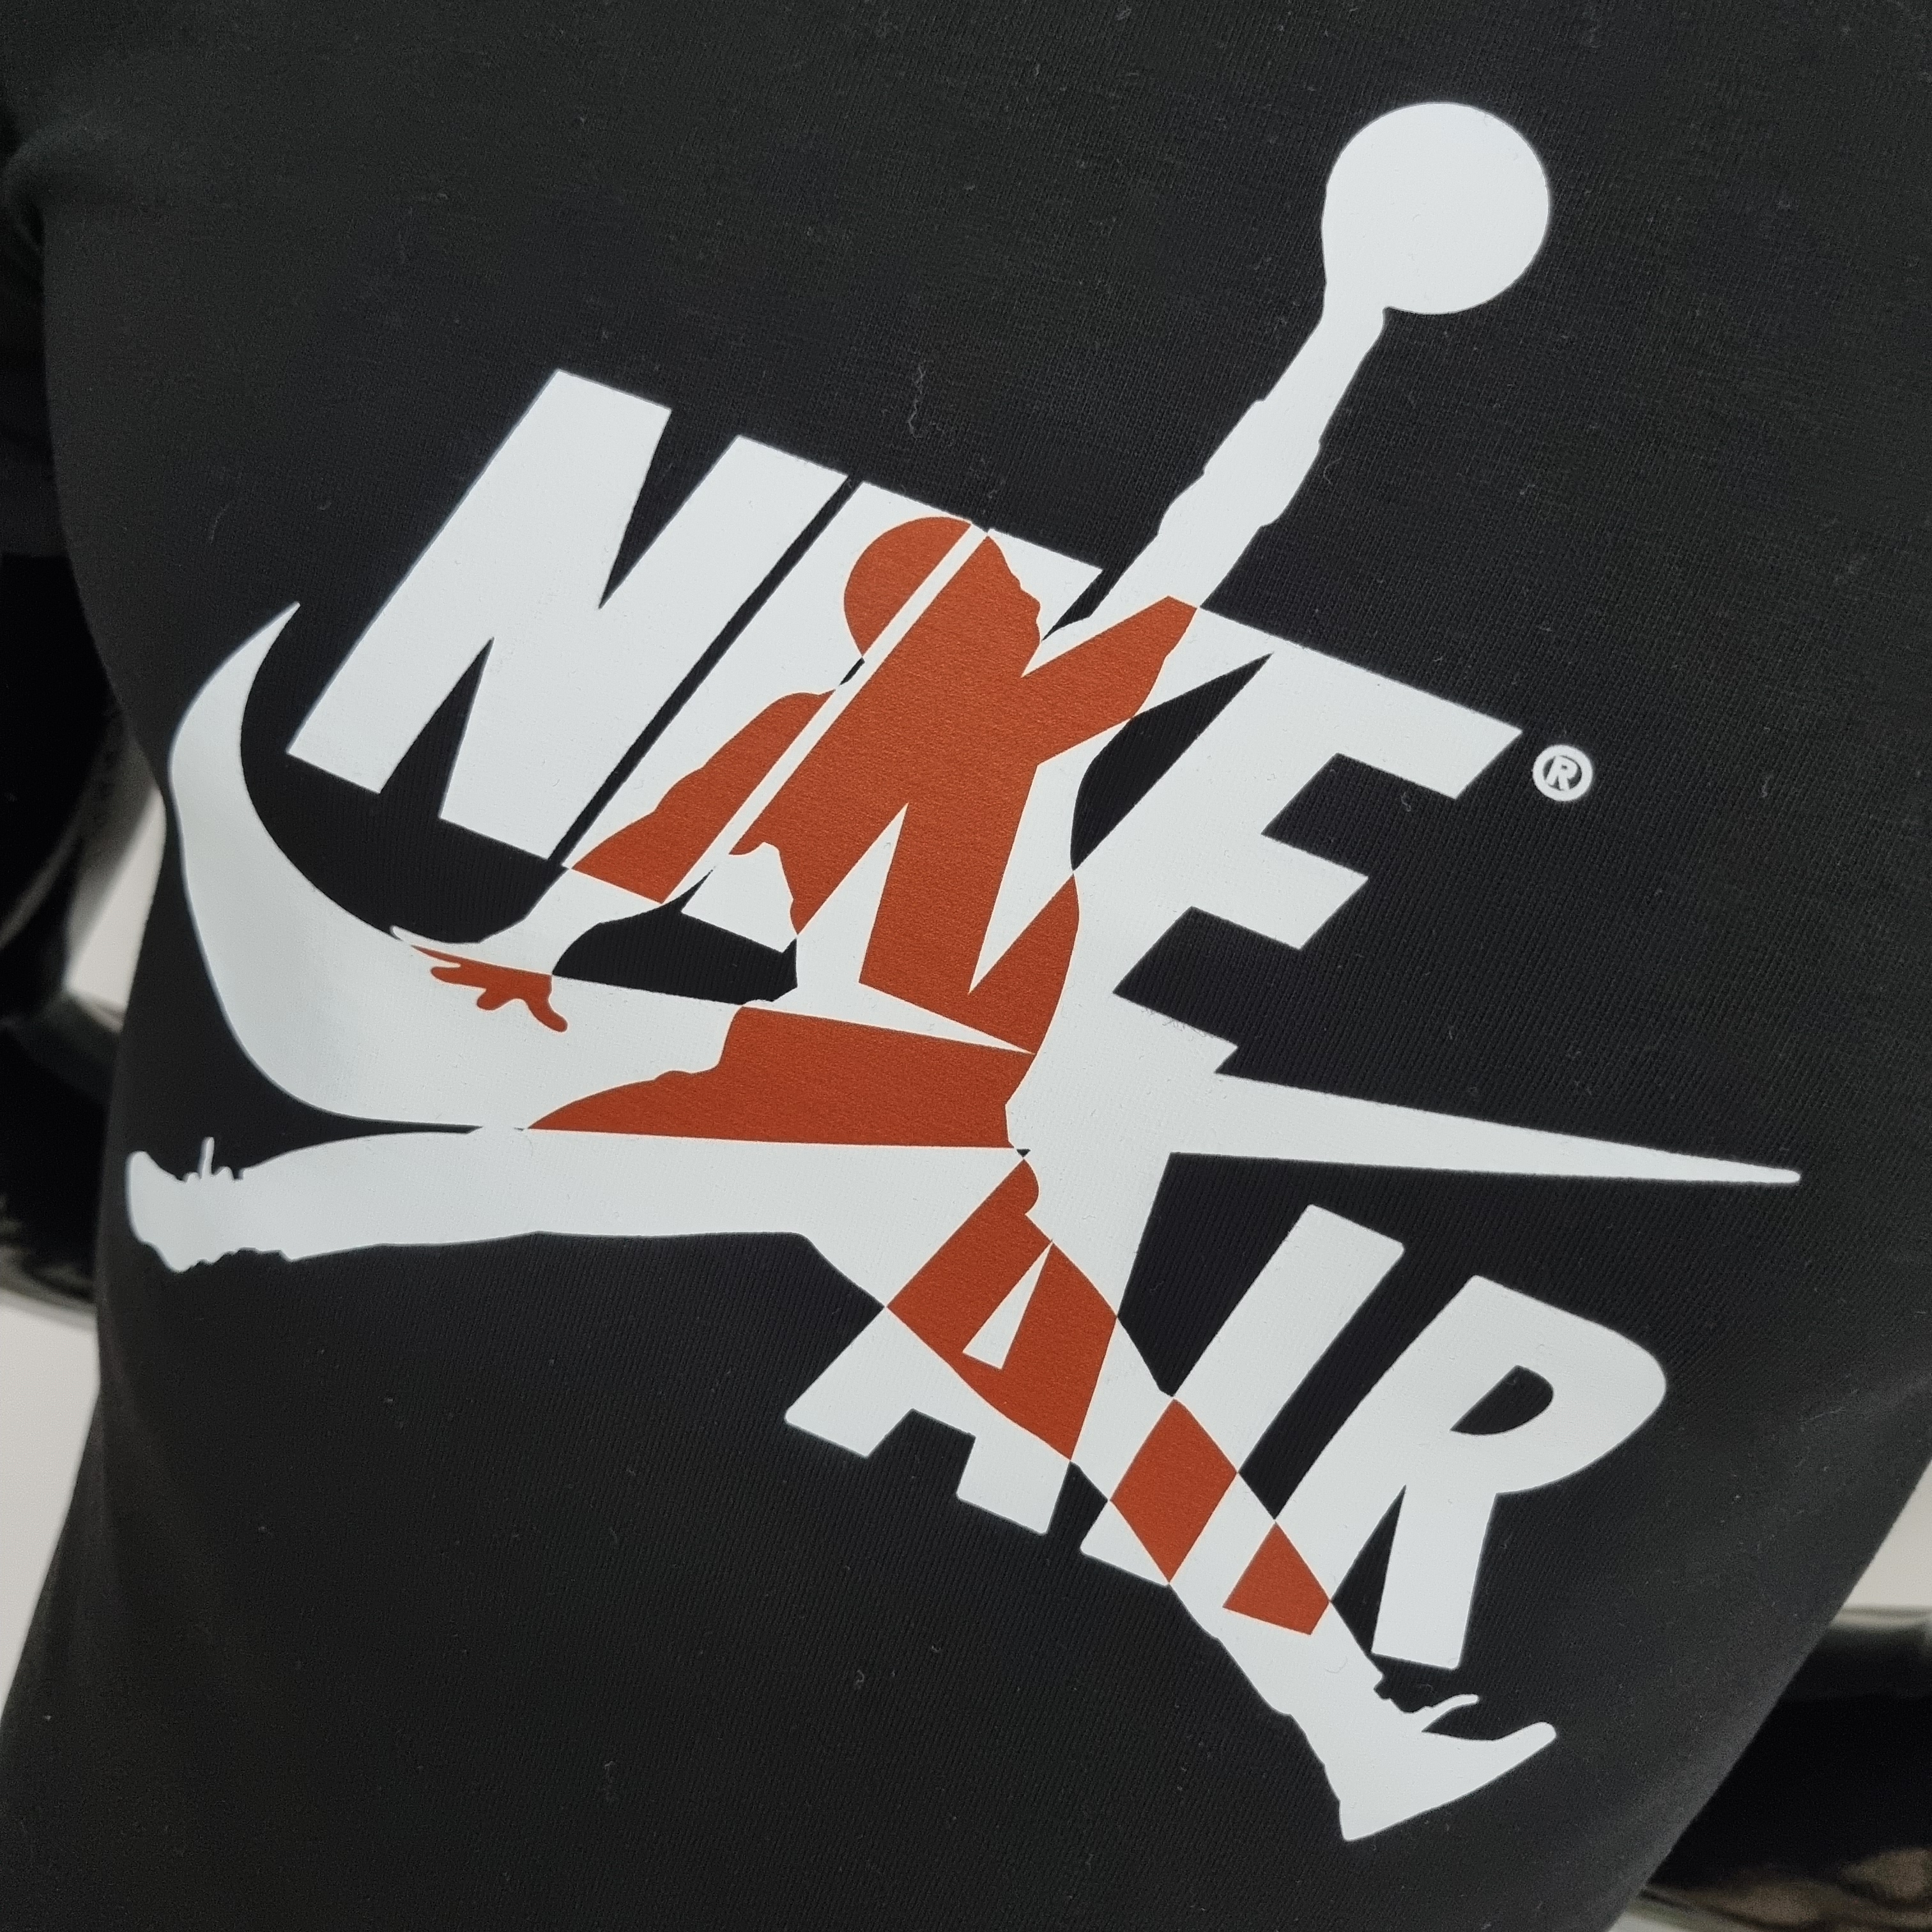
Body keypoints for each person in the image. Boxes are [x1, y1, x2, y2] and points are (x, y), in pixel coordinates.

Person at [3, 7, 1930, 1928]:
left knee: (972, 1367)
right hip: (867, 1094)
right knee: (1050, 1400)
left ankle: (1358, 1735)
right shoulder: (892, 715)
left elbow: (1206, 535)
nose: (991, 578)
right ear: (901, 607)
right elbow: (652, 868)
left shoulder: (1017, 698)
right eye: (953, 582)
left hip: (922, 1115)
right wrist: (514, 967)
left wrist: (1346, 336)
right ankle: (1356, 1728)